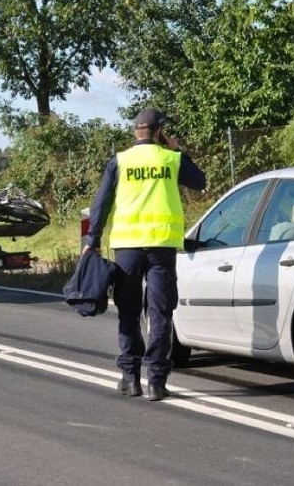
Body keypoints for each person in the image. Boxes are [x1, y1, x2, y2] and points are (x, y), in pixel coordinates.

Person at [84, 107, 206, 401]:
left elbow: (101, 203)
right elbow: (200, 182)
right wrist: (178, 149)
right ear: (159, 131)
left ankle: (130, 377)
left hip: (127, 247)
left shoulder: (120, 161)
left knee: (128, 311)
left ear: (134, 132)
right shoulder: (171, 159)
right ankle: (157, 382)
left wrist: (93, 238)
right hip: (162, 246)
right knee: (160, 313)